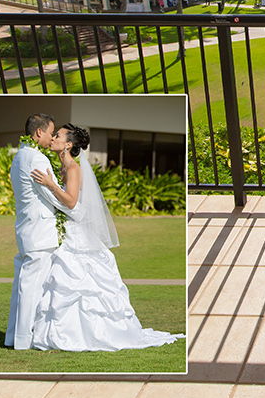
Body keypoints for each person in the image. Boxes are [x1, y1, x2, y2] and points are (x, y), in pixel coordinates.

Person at [28, 124, 183, 351]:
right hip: (70, 230)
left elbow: (71, 202)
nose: (53, 138)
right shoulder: (62, 168)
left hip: (78, 236)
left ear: (68, 145)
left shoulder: (73, 168)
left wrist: (51, 185)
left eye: (58, 135)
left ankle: (89, 333)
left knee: (82, 284)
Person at [5, 114, 67, 349]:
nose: (52, 138)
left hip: (26, 229)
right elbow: (50, 195)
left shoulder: (20, 155)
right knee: (31, 288)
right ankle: (23, 340)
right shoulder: (37, 159)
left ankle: (13, 337)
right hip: (40, 233)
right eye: (51, 133)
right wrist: (73, 205)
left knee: (21, 287)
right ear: (39, 132)